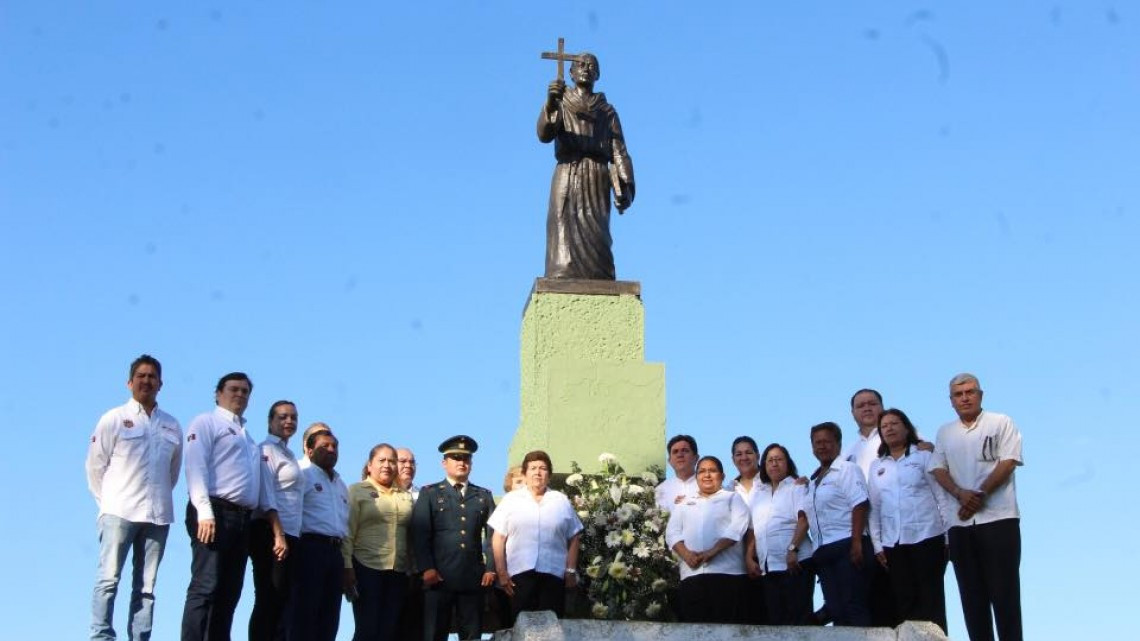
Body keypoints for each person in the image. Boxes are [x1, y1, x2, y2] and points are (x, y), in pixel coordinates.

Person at [86, 354, 183, 641]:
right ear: (129, 383)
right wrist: (107, 504)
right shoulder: (114, 418)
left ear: (160, 384)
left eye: (152, 376)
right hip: (119, 511)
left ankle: (139, 637)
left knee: (146, 586)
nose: (146, 381)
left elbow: (172, 473)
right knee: (108, 579)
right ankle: (102, 635)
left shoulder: (172, 425)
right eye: (141, 376)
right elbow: (95, 466)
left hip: (157, 515)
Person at [181, 372, 279, 641]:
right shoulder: (206, 422)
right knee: (206, 585)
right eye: (234, 389)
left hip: (242, 519)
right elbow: (195, 466)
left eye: (245, 391)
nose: (240, 395)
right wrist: (203, 511)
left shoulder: (247, 438)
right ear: (218, 393)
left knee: (230, 591)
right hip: (214, 512)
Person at [928, 374, 1024, 641]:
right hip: (960, 524)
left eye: (970, 392)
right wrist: (960, 493)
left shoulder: (1000, 422)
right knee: (972, 598)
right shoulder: (945, 432)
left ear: (980, 395)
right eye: (958, 395)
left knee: (1005, 595)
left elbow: (1009, 461)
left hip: (999, 519)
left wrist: (979, 495)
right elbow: (937, 468)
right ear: (951, 401)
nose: (965, 398)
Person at [538, 52, 635, 280]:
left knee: (598, 237)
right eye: (580, 65)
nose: (586, 68)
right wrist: (551, 103)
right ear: (571, 72)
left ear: (598, 74)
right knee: (563, 230)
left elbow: (618, 150)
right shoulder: (561, 103)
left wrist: (626, 185)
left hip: (596, 177)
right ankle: (562, 276)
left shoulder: (607, 111)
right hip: (567, 173)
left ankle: (598, 277)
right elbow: (544, 134)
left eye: (592, 66)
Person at [868, 408, 950, 633]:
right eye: (884, 426)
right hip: (894, 542)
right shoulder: (877, 467)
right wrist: (877, 545)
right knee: (904, 600)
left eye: (894, 423)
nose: (889, 429)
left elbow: (940, 495)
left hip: (928, 536)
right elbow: (874, 509)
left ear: (906, 427)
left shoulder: (923, 456)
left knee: (931, 599)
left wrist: (947, 534)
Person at [412, 435, 496, 641]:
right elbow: (420, 533)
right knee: (434, 634)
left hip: (472, 578)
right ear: (444, 463)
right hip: (439, 578)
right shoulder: (430, 493)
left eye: (466, 459)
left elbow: (494, 535)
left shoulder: (483, 496)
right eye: (456, 458)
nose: (462, 462)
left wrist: (491, 567)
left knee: (471, 635)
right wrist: (427, 568)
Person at [489, 451, 583, 618]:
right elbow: (498, 537)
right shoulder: (511, 499)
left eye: (543, 468)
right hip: (519, 575)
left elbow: (574, 536)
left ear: (549, 474)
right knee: (522, 624)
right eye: (532, 468)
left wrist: (570, 570)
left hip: (553, 573)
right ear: (525, 474)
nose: (537, 472)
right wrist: (501, 571)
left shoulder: (560, 500)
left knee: (551, 625)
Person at [665, 455, 750, 623]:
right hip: (691, 575)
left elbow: (737, 527)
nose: (707, 475)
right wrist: (687, 555)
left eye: (712, 471)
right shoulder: (684, 503)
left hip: (727, 575)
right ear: (696, 476)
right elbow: (672, 532)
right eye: (702, 471)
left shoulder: (732, 498)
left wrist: (712, 552)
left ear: (722, 476)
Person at [803, 421, 872, 627]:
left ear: (838, 444)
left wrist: (857, 542)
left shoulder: (847, 469)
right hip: (823, 550)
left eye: (827, 441)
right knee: (835, 609)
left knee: (854, 604)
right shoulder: (814, 480)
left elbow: (859, 504)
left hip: (847, 544)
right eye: (817, 443)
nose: (822, 446)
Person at [343, 443, 415, 641]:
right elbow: (348, 532)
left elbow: (411, 534)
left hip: (398, 571)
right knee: (368, 630)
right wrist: (347, 567)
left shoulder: (405, 496)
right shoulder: (357, 491)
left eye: (392, 461)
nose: (387, 465)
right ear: (369, 465)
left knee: (390, 631)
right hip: (366, 567)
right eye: (381, 460)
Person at [248, 401, 302, 641]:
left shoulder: (288, 453)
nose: (288, 421)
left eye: (293, 417)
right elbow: (266, 493)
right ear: (270, 421)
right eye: (282, 417)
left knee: (285, 600)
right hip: (271, 533)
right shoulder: (266, 450)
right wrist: (278, 533)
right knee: (269, 597)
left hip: (291, 533)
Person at [745, 443, 815, 626]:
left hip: (796, 563)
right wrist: (749, 557)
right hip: (769, 567)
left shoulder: (796, 486)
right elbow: (754, 529)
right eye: (770, 460)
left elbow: (804, 519)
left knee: (799, 621)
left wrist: (793, 549)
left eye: (779, 459)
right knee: (776, 622)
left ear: (788, 463)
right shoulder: (759, 493)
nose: (774, 464)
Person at [290, 431, 349, 641]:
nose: (331, 450)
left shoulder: (341, 485)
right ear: (309, 449)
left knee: (329, 617)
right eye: (325, 446)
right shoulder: (302, 474)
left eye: (335, 446)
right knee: (305, 614)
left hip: (335, 552)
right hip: (310, 547)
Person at [728, 436, 767, 625]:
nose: (744, 457)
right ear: (733, 459)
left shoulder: (772, 481)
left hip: (772, 557)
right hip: (740, 561)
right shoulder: (728, 490)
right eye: (738, 454)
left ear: (758, 455)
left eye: (748, 452)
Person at [396, 447, 423, 641]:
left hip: (419, 574)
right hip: (390, 571)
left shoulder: (424, 496)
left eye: (411, 462)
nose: (408, 465)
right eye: (402, 461)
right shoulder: (379, 494)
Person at [655, 435, 698, 512]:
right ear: (669, 461)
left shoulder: (710, 486)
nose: (680, 455)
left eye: (685, 450)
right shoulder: (660, 490)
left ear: (696, 458)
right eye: (675, 452)